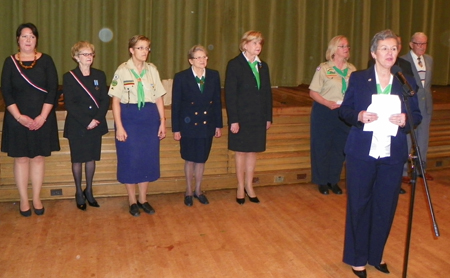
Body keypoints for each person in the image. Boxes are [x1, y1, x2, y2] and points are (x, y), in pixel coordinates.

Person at [339, 30, 422, 278]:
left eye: (394, 48)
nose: (389, 53)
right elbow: (345, 111)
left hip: (392, 155)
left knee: (385, 207)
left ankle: (377, 255)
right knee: (359, 205)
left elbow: (416, 116)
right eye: (384, 48)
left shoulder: (405, 80)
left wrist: (406, 119)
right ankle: (357, 258)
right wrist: (359, 116)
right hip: (361, 153)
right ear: (374, 53)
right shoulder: (358, 78)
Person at [1, 23, 59, 217]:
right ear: (18, 40)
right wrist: (19, 117)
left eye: (32, 36)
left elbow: (52, 90)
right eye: (24, 36)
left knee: (38, 158)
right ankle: (24, 200)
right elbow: (6, 92)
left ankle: (36, 198)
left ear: (36, 40)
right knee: (21, 158)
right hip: (17, 118)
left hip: (42, 117)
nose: (28, 40)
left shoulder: (46, 61)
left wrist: (42, 117)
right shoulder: (9, 62)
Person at [108, 35, 166, 217]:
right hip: (129, 119)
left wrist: (162, 121)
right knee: (130, 160)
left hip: (149, 119)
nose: (144, 52)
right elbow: (115, 101)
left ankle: (143, 199)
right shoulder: (122, 71)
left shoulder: (152, 70)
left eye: (147, 48)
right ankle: (132, 200)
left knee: (147, 159)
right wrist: (119, 126)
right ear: (131, 50)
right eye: (140, 48)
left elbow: (158, 98)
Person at [171, 45, 223, 206]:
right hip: (188, 126)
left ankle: (198, 190)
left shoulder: (213, 75)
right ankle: (188, 191)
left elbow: (217, 103)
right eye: (199, 57)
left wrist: (218, 125)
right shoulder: (181, 77)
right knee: (189, 160)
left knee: (201, 160)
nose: (203, 60)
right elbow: (176, 105)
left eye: (205, 57)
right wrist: (176, 128)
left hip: (207, 125)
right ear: (190, 61)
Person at [225, 30, 272, 205]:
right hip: (241, 117)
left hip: (258, 117)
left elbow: (267, 93)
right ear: (244, 45)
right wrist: (234, 120)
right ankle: (239, 186)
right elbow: (230, 94)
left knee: (253, 151)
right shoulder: (235, 64)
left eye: (260, 43)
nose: (258, 46)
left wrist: (268, 117)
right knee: (241, 151)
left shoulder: (263, 66)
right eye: (254, 43)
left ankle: (249, 186)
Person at [63, 41, 109, 210]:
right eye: (85, 54)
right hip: (77, 125)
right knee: (77, 160)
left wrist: (96, 119)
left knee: (91, 158)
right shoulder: (69, 77)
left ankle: (89, 191)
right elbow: (70, 104)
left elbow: (105, 99)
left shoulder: (99, 75)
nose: (89, 57)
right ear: (76, 57)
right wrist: (86, 121)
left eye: (91, 54)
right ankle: (78, 193)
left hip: (95, 124)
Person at [308, 35, 356, 195]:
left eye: (347, 46)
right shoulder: (323, 68)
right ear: (334, 49)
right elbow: (313, 92)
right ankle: (321, 181)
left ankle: (333, 180)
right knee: (322, 147)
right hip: (325, 111)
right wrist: (328, 103)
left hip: (344, 113)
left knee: (339, 148)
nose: (346, 49)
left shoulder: (352, 70)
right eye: (343, 46)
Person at [401, 32, 434, 182]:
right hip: (411, 105)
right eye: (418, 43)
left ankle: (422, 169)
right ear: (411, 44)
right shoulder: (402, 61)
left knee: (423, 140)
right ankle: (403, 173)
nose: (421, 47)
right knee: (407, 140)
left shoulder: (429, 60)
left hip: (426, 105)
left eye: (424, 44)